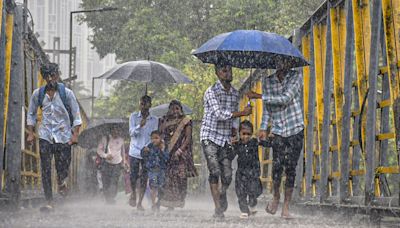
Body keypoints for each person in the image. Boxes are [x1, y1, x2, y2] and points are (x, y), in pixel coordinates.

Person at [246, 60, 304, 219]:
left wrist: (258, 96)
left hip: (295, 128)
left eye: (284, 60)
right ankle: (276, 196)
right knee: (277, 167)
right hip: (278, 130)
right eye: (278, 60)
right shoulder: (268, 81)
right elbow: (268, 109)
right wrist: (263, 128)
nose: (281, 63)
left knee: (291, 168)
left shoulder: (296, 77)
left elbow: (285, 98)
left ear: (290, 62)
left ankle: (286, 207)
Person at [26, 62, 82, 211]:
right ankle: (49, 201)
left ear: (57, 75)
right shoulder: (38, 94)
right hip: (45, 135)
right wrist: (31, 133)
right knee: (45, 168)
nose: (51, 79)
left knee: (62, 166)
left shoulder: (67, 94)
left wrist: (75, 135)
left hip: (63, 136)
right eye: (47, 76)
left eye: (53, 76)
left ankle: (61, 180)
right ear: (44, 77)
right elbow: (31, 113)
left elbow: (77, 115)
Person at [200, 63, 252, 218]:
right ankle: (218, 209)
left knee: (228, 175)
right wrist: (242, 112)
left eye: (230, 70)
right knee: (215, 170)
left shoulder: (235, 94)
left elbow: (234, 120)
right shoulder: (211, 92)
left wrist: (235, 130)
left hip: (224, 138)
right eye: (224, 70)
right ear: (217, 73)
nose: (228, 73)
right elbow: (219, 114)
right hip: (209, 135)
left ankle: (222, 194)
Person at [158, 100, 198, 209]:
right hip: (168, 153)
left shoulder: (186, 121)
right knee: (169, 178)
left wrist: (179, 151)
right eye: (172, 109)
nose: (175, 111)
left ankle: (180, 200)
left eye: (177, 108)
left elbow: (188, 138)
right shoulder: (164, 120)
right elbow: (160, 134)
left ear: (181, 110)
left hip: (181, 154)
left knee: (180, 177)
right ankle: (170, 204)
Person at [128, 95, 158, 210]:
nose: (143, 106)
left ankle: (140, 202)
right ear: (139, 104)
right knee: (133, 176)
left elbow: (154, 136)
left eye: (146, 104)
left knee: (144, 177)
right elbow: (131, 133)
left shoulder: (155, 120)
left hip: (147, 152)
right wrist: (139, 126)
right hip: (135, 151)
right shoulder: (133, 117)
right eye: (142, 104)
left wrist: (149, 147)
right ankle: (133, 194)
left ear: (150, 105)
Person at [231, 120, 263, 219]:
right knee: (241, 193)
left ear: (252, 134)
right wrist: (231, 145)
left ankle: (252, 203)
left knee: (253, 191)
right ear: (239, 134)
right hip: (241, 173)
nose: (246, 137)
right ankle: (244, 210)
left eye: (248, 134)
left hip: (253, 172)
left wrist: (267, 139)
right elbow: (231, 156)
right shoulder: (237, 144)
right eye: (243, 134)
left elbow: (265, 143)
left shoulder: (254, 142)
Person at [97, 126, 128, 204]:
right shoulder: (105, 139)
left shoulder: (121, 140)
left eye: (118, 131)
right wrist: (105, 155)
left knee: (114, 181)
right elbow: (99, 150)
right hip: (106, 164)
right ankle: (108, 198)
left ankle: (112, 197)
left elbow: (123, 152)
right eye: (114, 131)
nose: (116, 133)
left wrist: (124, 162)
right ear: (111, 131)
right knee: (106, 182)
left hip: (117, 164)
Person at [141, 130, 169, 211]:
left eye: (156, 138)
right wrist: (144, 151)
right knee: (153, 186)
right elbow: (143, 155)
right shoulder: (149, 146)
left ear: (161, 138)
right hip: (152, 170)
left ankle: (158, 203)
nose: (154, 140)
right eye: (152, 138)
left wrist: (162, 150)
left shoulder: (164, 147)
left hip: (161, 170)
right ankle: (153, 204)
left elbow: (166, 158)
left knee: (161, 187)